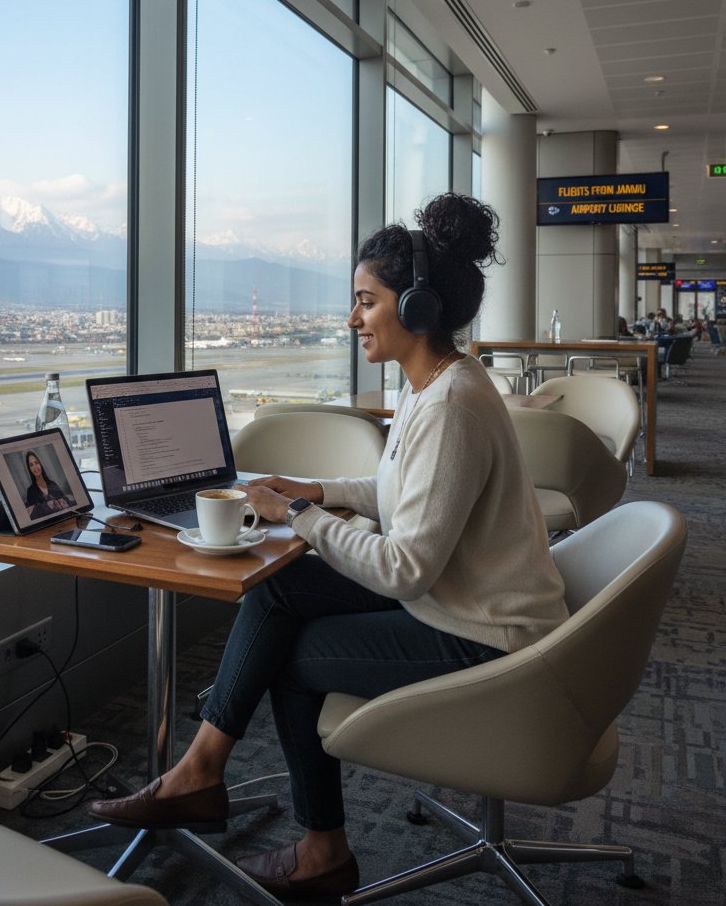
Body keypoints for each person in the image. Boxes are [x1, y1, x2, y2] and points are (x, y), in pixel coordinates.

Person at [88, 192, 569, 900]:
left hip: (480, 630)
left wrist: (298, 518)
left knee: (292, 661)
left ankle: (321, 850)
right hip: (457, 595)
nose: (352, 320)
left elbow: (406, 568)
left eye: (365, 302)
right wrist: (312, 492)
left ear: (416, 309)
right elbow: (397, 493)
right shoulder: (435, 384)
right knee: (282, 589)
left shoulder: (453, 407)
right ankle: (200, 773)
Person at [24, 450, 71, 519]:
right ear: (29, 469)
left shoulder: (52, 484)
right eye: (31, 465)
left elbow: (67, 503)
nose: (35, 467)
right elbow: (34, 516)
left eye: (36, 463)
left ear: (41, 464)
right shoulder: (30, 491)